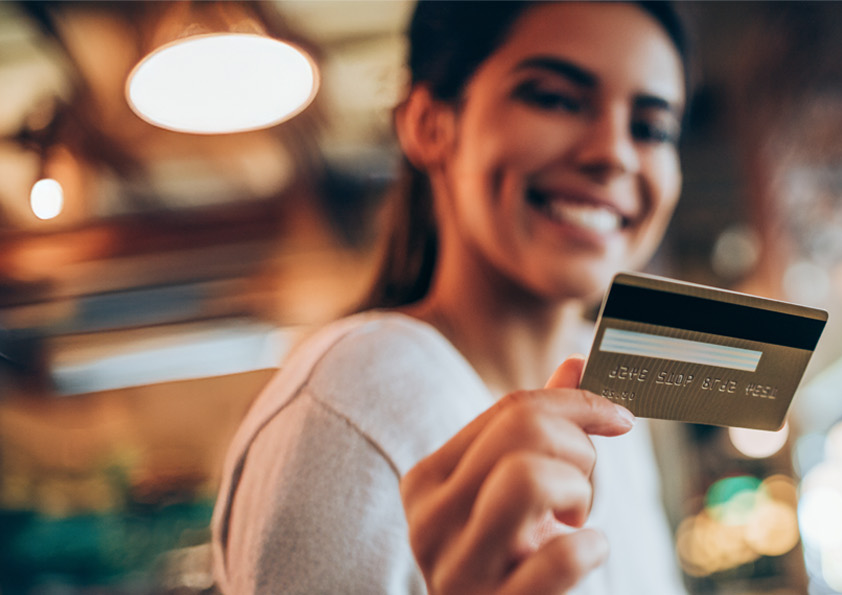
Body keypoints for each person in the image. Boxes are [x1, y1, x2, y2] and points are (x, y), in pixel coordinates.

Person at [210, 2, 692, 593]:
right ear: (430, 125)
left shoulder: (612, 402)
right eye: (556, 99)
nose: (613, 153)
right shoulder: (354, 402)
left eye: (652, 129)